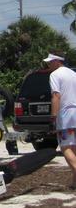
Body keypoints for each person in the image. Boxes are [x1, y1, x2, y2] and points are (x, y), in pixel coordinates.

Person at [43, 52, 76, 188]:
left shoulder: (55, 75)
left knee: (65, 147)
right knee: (74, 148)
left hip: (66, 114)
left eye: (50, 62)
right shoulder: (73, 74)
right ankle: (74, 183)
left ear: (57, 61)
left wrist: (53, 116)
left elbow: (56, 96)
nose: (48, 64)